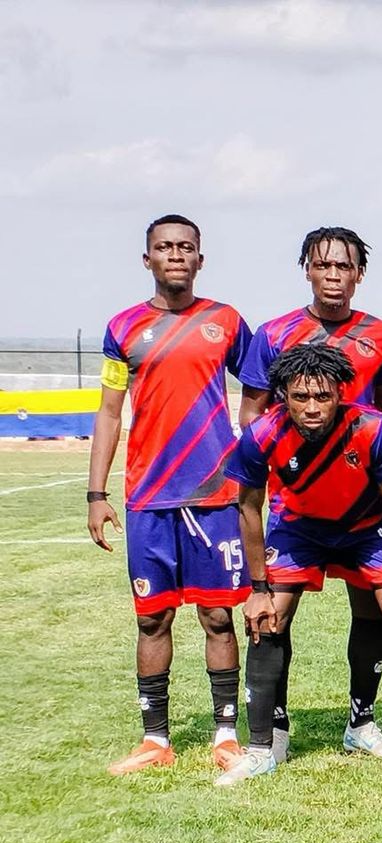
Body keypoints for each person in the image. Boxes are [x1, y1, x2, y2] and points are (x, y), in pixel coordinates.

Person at [218, 344, 382, 788]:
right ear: (284, 396)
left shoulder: (370, 428)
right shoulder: (263, 434)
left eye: (323, 397)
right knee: (267, 619)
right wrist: (258, 589)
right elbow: (249, 508)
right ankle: (265, 745)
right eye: (301, 397)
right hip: (299, 530)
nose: (312, 407)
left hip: (365, 528)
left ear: (340, 394)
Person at [90, 214, 252, 775]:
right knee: (152, 619)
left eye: (186, 247)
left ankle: (226, 735)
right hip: (149, 498)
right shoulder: (123, 328)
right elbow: (110, 412)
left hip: (215, 495)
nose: (176, 254)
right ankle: (155, 739)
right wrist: (96, 493)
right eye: (165, 247)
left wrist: (252, 463)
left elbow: (260, 391)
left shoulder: (225, 322)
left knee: (218, 617)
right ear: (148, 259)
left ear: (200, 259)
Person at [238, 227, 382, 765]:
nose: (333, 275)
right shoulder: (274, 333)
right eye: (323, 265)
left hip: (363, 507)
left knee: (370, 611)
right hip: (296, 505)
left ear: (359, 274)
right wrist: (282, 464)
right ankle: (275, 729)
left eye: (344, 266)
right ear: (307, 269)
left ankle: (362, 722)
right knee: (274, 614)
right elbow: (252, 412)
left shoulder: (379, 333)